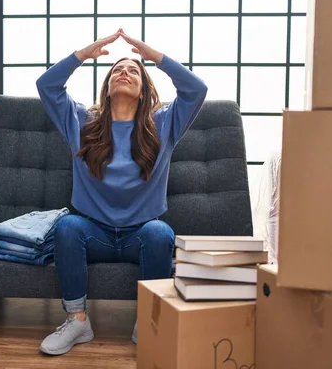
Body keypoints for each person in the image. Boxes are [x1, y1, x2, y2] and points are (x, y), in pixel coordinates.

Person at [35, 29, 208, 355]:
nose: (123, 72)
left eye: (132, 70)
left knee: (161, 232)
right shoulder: (82, 121)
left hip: (140, 234)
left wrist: (155, 57)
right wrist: (82, 55)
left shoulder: (164, 124)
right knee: (67, 226)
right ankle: (78, 321)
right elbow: (47, 86)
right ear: (107, 88)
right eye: (117, 70)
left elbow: (196, 91)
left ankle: (148, 320)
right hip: (94, 233)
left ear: (143, 91)